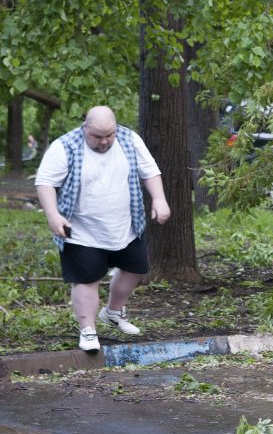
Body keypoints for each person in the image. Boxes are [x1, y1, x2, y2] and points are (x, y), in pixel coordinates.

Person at [35, 106, 171, 354]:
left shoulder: (130, 140)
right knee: (86, 279)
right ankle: (88, 330)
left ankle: (113, 312)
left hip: (126, 226)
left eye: (109, 134)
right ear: (85, 127)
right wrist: (53, 215)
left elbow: (150, 171)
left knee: (136, 268)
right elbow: (45, 182)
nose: (104, 141)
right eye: (97, 136)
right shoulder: (65, 146)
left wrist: (159, 199)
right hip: (81, 230)